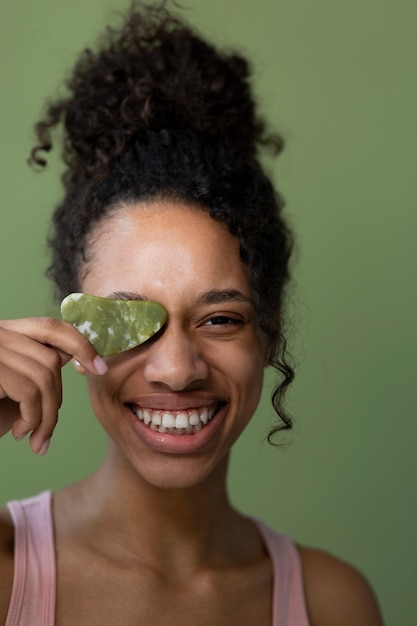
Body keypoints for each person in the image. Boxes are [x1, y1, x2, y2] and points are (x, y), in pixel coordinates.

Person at [0, 3, 383, 624]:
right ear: (72, 331)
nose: (177, 370)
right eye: (132, 318)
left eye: (221, 319)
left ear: (270, 330)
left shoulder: (333, 603)